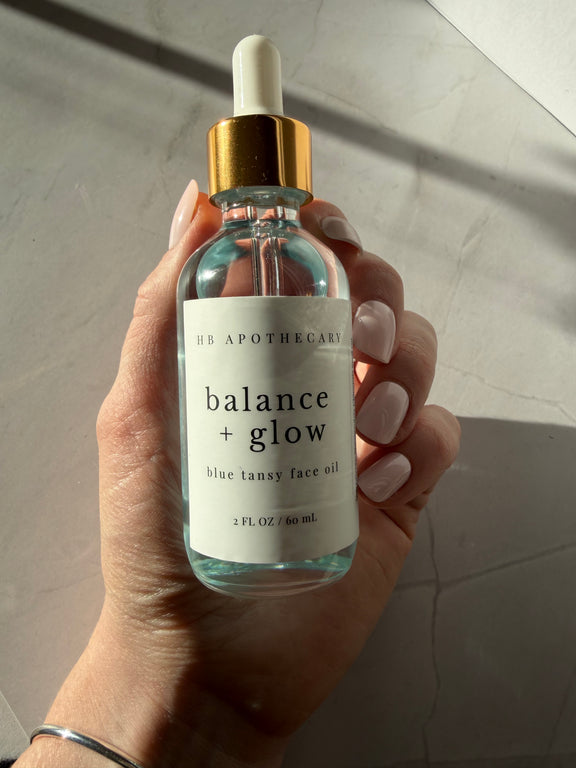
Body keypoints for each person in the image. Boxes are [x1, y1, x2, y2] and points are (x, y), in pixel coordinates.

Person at [14, 181, 461, 768]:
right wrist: (151, 667)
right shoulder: (209, 264)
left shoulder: (312, 259)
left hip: (317, 552)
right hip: (217, 565)